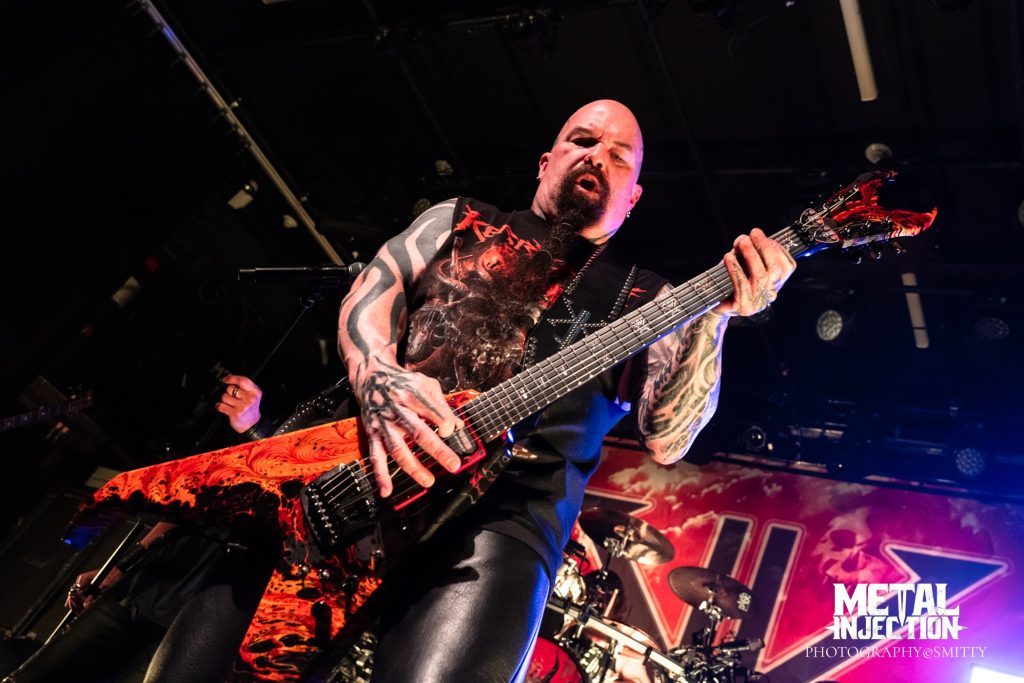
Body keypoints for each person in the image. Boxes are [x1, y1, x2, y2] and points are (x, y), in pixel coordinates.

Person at [336, 99, 796, 683]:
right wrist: (376, 373)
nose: (597, 156)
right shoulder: (458, 219)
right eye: (583, 141)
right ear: (545, 162)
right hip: (355, 471)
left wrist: (714, 319)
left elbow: (668, 439)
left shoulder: (649, 299)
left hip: (505, 525)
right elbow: (372, 292)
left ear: (633, 198)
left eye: (619, 156)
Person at [3, 375, 284, 683]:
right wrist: (119, 568)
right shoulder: (280, 424)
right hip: (144, 587)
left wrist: (258, 429)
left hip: (199, 624)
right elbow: (186, 510)